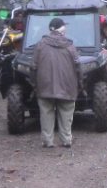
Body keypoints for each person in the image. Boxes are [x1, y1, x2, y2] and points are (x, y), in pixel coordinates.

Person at [34, 16, 82, 148]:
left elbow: (33, 67)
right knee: (66, 112)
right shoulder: (70, 46)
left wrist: (35, 84)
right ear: (62, 29)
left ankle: (47, 141)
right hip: (67, 86)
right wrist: (80, 84)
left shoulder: (40, 45)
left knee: (46, 113)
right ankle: (66, 140)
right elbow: (78, 67)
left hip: (45, 86)